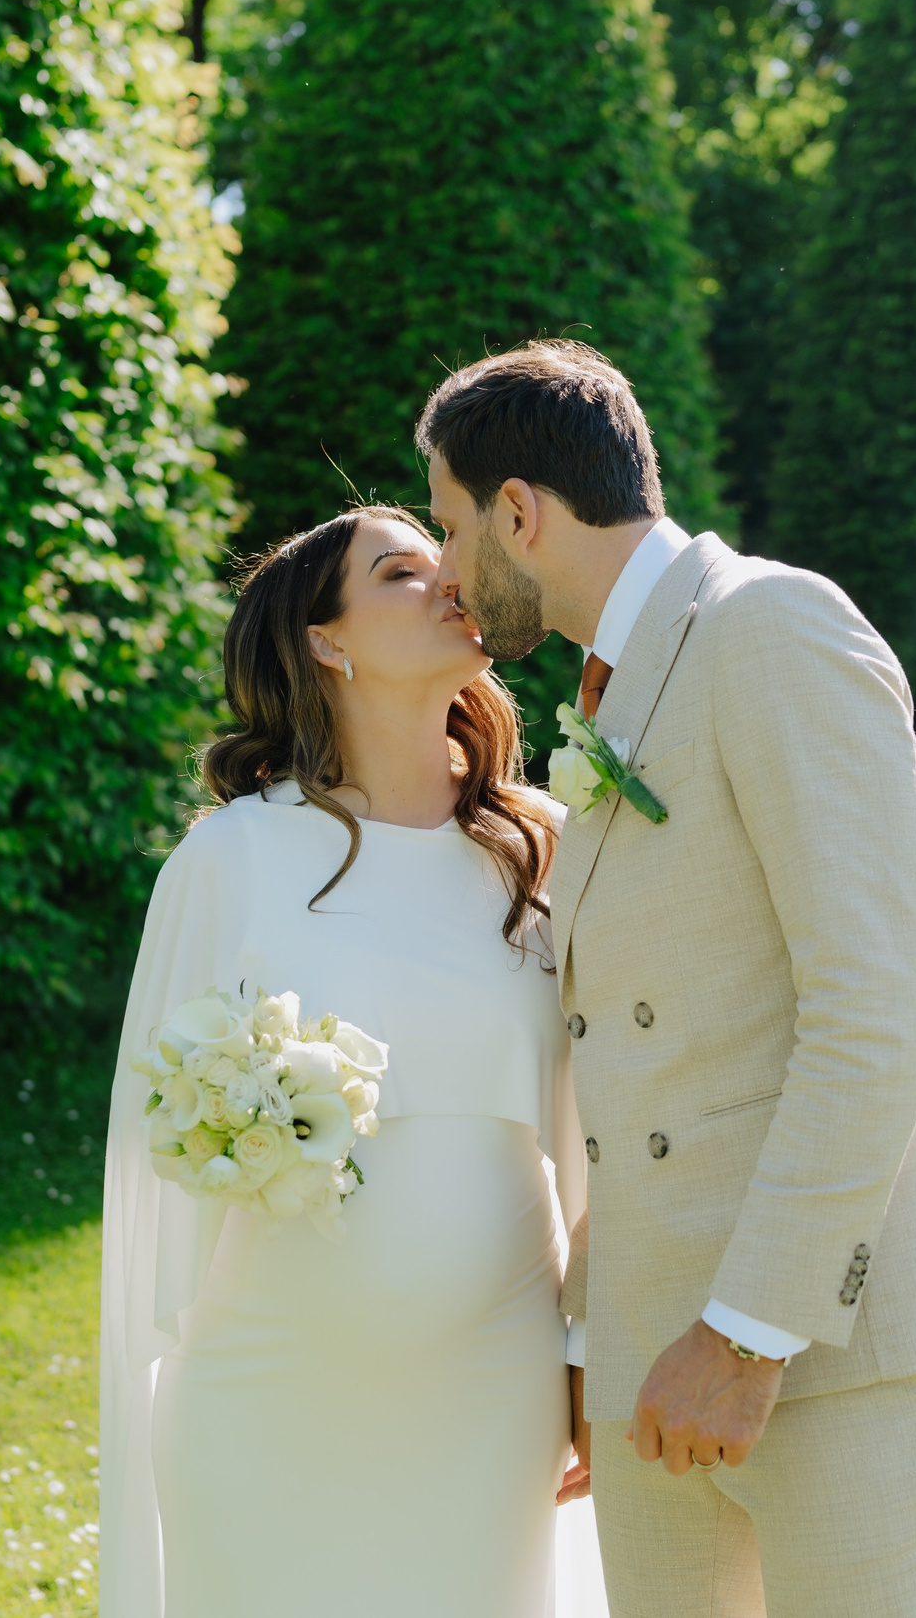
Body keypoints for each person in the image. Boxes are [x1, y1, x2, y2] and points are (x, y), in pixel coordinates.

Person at [421, 341, 916, 1618]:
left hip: (832, 1345)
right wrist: (598, 1333)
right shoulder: (612, 687)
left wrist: (747, 1334)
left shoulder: (773, 628)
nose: (448, 574)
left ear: (519, 513)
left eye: (452, 526)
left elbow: (872, 1014)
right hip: (654, 1354)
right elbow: (648, 1056)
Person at [96, 505, 609, 1617]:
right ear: (327, 640)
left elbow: (588, 1126)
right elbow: (158, 1135)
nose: (450, 583)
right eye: (399, 573)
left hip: (492, 1379)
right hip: (272, 1380)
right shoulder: (232, 856)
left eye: (448, 563)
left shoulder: (538, 846)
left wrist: (585, 1351)